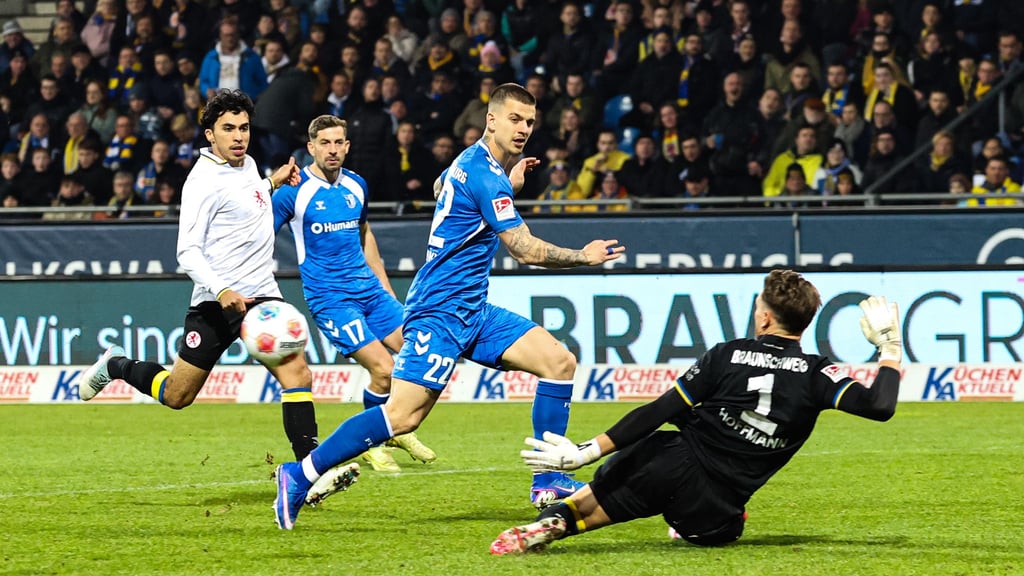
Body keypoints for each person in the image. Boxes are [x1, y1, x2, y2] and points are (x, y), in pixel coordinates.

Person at [272, 83, 626, 530]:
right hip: (439, 311)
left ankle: (548, 479)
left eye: (530, 122)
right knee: (401, 417)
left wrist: (506, 184)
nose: (524, 129)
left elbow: (443, 185)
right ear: (491, 120)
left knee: (558, 362)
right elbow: (524, 250)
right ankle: (299, 474)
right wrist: (583, 256)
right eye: (515, 119)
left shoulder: (473, 163)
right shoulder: (484, 173)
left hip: (472, 309)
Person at [490, 271, 902, 555]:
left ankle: (557, 521)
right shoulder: (819, 374)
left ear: (764, 316)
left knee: (599, 502)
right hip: (716, 505)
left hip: (666, 461)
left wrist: (586, 452)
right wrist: (889, 348)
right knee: (726, 530)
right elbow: (880, 406)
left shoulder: (727, 354)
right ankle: (687, 521)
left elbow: (660, 409)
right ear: (807, 321)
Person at [78, 90, 360, 499]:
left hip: (261, 296)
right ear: (210, 134)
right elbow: (187, 251)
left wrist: (271, 181)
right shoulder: (202, 180)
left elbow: (247, 200)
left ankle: (307, 473)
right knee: (177, 395)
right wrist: (221, 287)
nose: (238, 136)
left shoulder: (246, 166)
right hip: (216, 301)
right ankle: (117, 366)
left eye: (244, 128)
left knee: (297, 373)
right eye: (228, 129)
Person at [272, 114, 437, 475]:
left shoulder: (357, 185)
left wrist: (386, 290)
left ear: (347, 146)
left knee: (420, 352)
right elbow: (259, 233)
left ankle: (392, 427)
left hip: (371, 293)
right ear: (311, 147)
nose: (333, 150)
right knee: (384, 369)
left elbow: (365, 236)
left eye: (339, 143)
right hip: (332, 300)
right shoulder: (293, 192)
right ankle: (372, 441)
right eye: (325, 143)